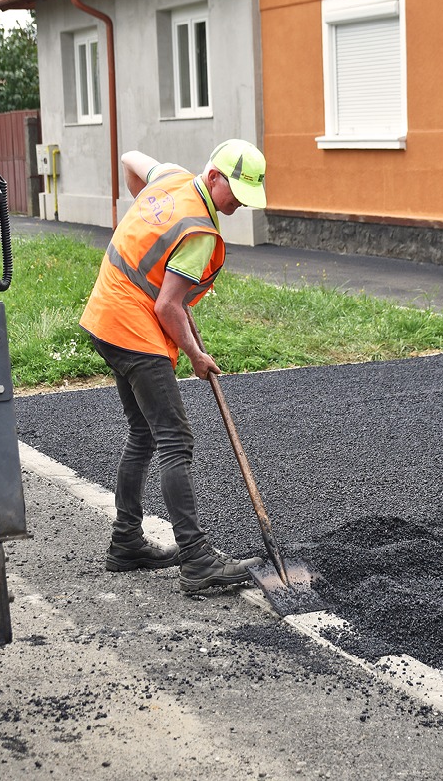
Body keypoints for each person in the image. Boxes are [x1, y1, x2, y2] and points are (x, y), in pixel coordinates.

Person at [80, 139, 268, 592]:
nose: (240, 203)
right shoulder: (201, 232)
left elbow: (128, 159)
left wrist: (145, 211)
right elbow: (168, 306)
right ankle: (197, 559)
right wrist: (196, 356)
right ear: (214, 176)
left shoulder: (170, 179)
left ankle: (126, 542)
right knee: (174, 438)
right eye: (236, 192)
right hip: (133, 326)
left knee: (142, 433)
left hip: (104, 315)